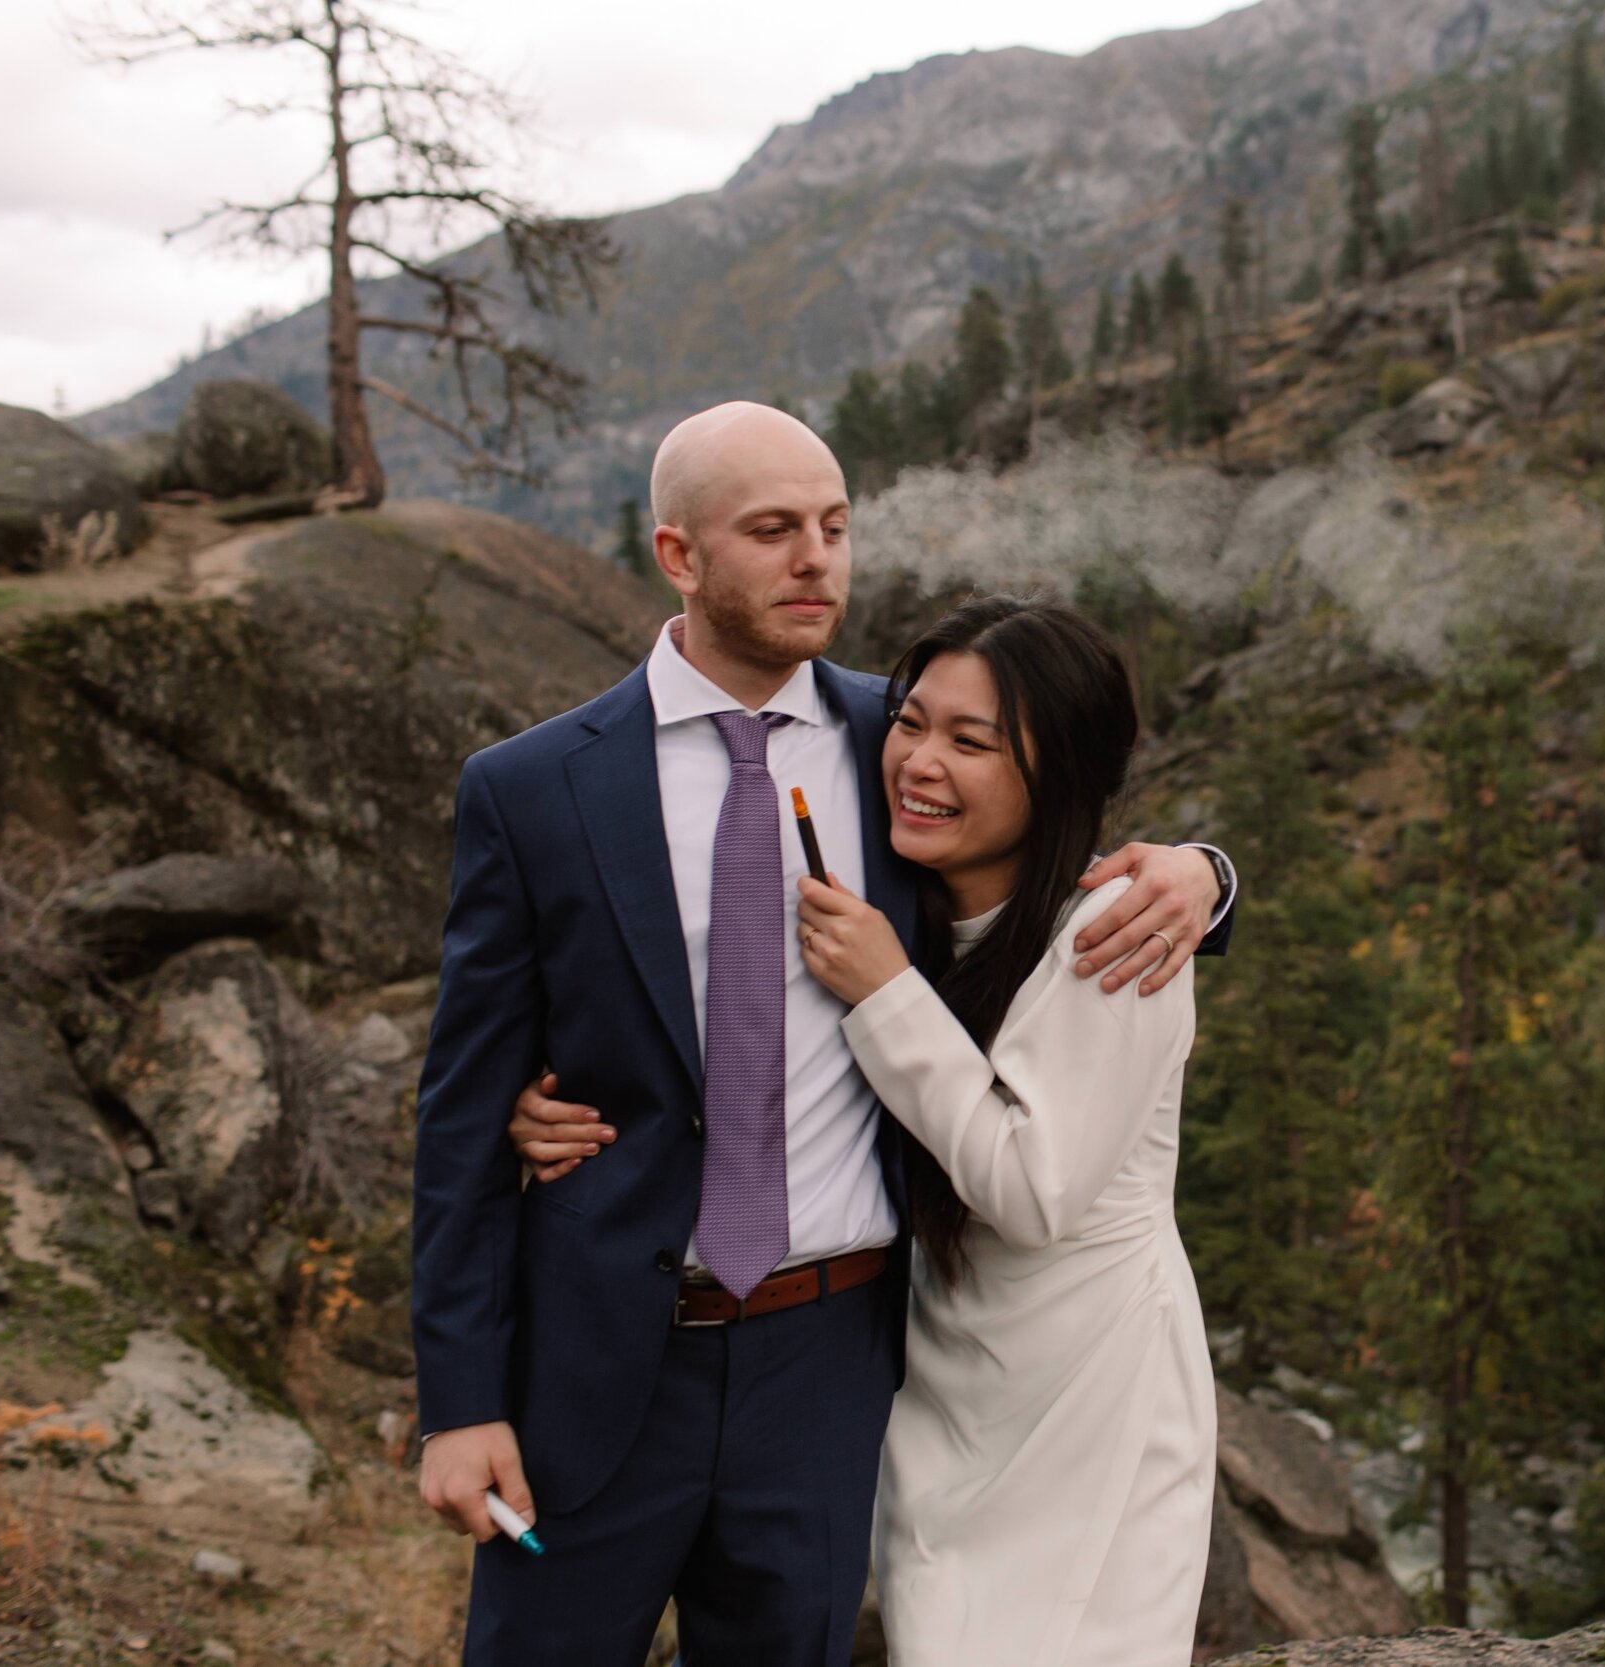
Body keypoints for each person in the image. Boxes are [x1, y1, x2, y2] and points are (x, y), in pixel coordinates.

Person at [411, 402, 1233, 1667]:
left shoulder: (896, 737)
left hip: (833, 1364)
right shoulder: (532, 788)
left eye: (837, 527)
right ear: (678, 556)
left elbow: (1054, 864)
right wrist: (461, 1402)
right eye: (775, 529)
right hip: (596, 1362)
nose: (818, 560)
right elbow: (462, 1121)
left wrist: (1205, 874)